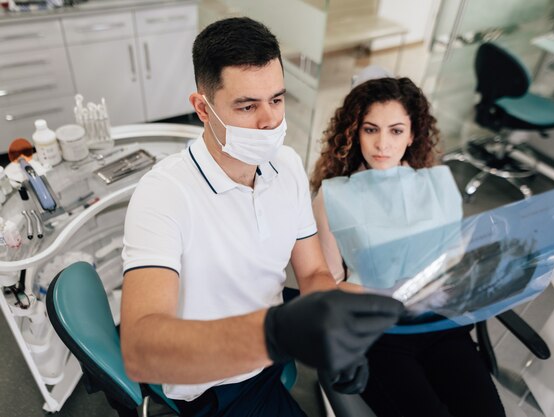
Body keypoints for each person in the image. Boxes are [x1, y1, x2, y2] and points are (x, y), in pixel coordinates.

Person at [120, 17, 404, 417]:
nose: (269, 120)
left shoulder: (285, 165)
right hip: (216, 383)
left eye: (276, 99)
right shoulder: (164, 195)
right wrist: (274, 334)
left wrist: (339, 344)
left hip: (272, 350)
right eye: (247, 105)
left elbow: (312, 274)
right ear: (203, 108)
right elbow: (141, 351)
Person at [310, 76, 506, 417]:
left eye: (396, 131)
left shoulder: (439, 185)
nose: (382, 144)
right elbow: (326, 283)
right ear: (355, 132)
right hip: (378, 331)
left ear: (413, 134)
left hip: (438, 324)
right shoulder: (333, 196)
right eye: (371, 129)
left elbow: (454, 263)